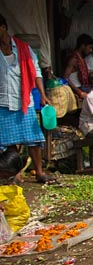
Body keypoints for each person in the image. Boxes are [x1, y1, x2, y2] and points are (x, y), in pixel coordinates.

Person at [0, 13, 55, 183]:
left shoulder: (24, 48)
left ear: (3, 28)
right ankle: (14, 174)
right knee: (9, 142)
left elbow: (36, 72)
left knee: (34, 140)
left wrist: (43, 95)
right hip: (2, 101)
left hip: (24, 100)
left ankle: (39, 172)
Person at [63, 34, 93, 102]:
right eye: (89, 47)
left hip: (84, 87)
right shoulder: (73, 59)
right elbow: (65, 78)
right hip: (78, 89)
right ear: (83, 46)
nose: (91, 50)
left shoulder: (81, 58)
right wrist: (79, 92)